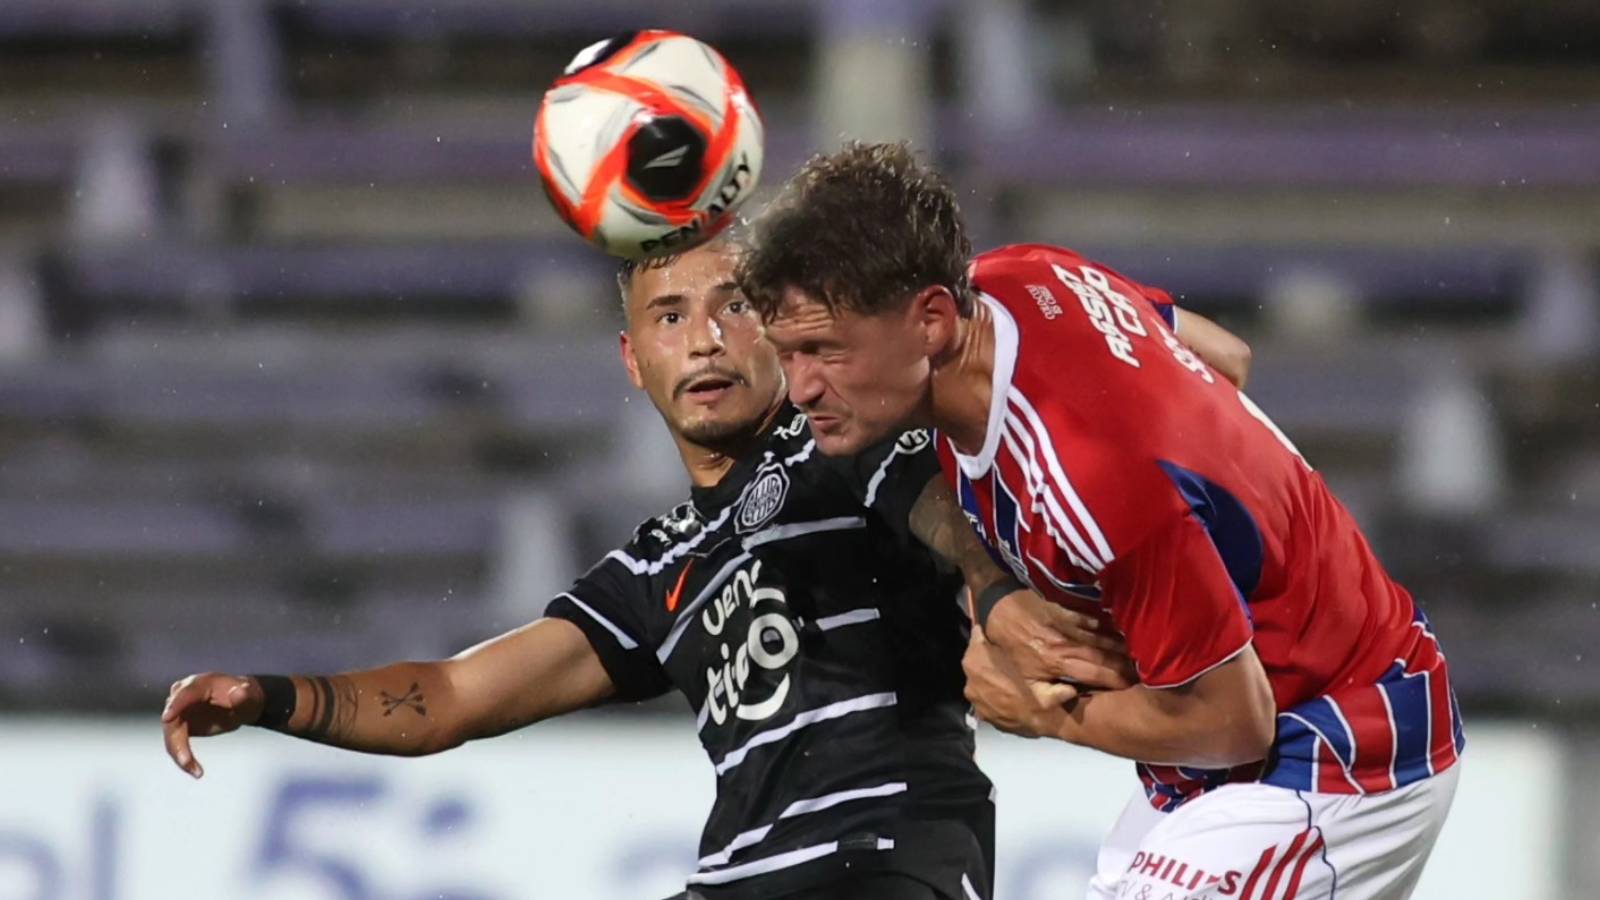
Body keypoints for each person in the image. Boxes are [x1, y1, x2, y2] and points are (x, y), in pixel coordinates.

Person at [161, 237, 1130, 900]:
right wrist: (267, 698)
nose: (704, 338)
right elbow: (449, 695)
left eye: (733, 306)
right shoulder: (659, 565)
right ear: (632, 358)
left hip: (884, 861)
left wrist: (992, 587)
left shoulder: (839, 436)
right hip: (743, 879)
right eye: (670, 316)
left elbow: (939, 502)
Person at [737, 142, 1464, 900]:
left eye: (825, 350)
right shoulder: (1022, 276)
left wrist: (1046, 714)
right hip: (1227, 756)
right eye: (789, 354)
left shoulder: (1095, 478)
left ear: (930, 321)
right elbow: (1225, 355)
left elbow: (1233, 722)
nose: (801, 388)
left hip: (1336, 752)